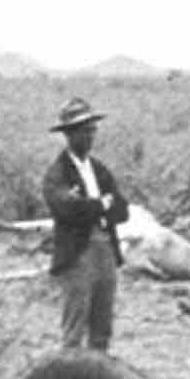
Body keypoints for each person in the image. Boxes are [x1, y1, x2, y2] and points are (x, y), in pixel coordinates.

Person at [40, 97, 129, 352]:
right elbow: (65, 209)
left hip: (106, 250)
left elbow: (122, 211)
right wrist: (101, 205)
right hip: (77, 253)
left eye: (92, 130)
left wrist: (90, 205)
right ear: (68, 135)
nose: (89, 136)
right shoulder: (57, 173)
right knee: (74, 329)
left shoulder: (100, 170)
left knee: (102, 327)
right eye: (82, 130)